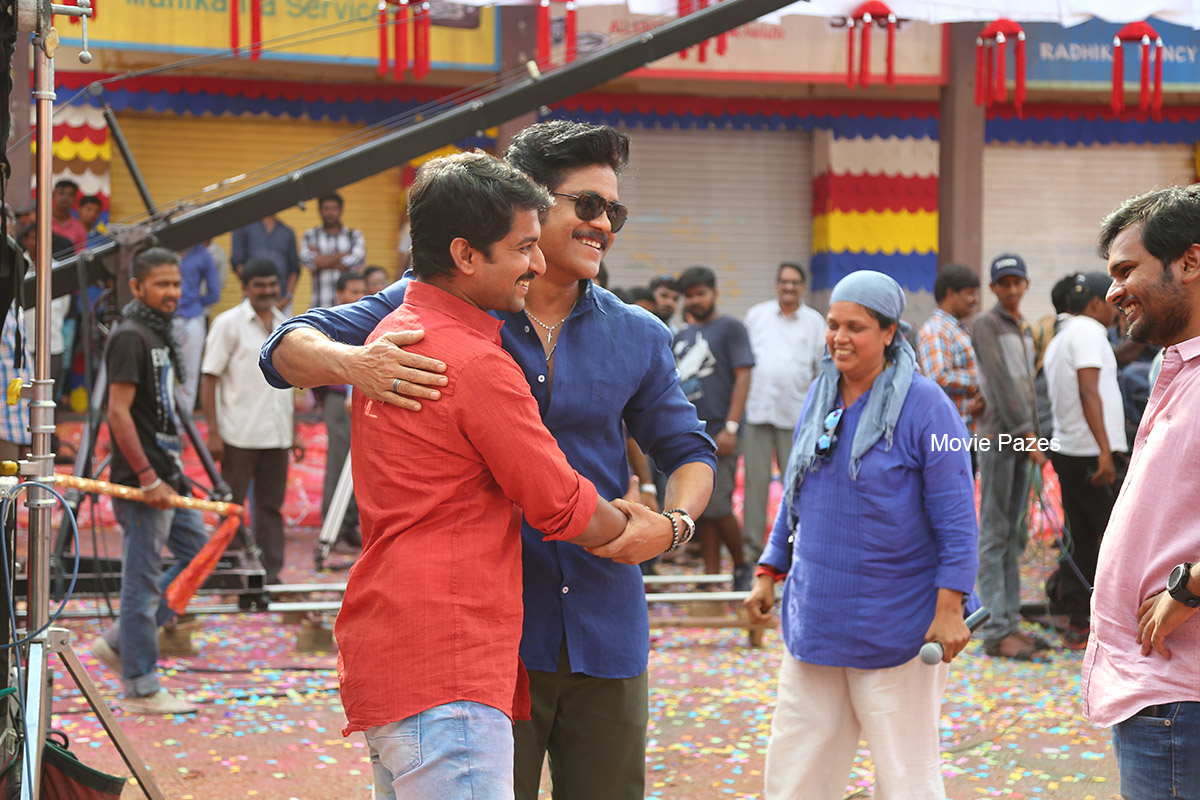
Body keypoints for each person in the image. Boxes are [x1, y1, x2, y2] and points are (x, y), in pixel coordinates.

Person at [260, 120, 716, 800]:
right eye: (588, 206)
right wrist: (357, 363)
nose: (603, 225)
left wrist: (673, 526)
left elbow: (687, 450)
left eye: (614, 212)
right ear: (528, 204)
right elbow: (284, 347)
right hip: (490, 639)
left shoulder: (637, 333)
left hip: (605, 622)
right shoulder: (440, 309)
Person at [339, 151, 655, 800]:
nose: (535, 265)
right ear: (465, 254)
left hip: (396, 649)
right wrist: (643, 529)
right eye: (523, 248)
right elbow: (558, 501)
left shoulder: (393, 338)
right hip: (450, 656)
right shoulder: (473, 360)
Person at [745, 269, 978, 800]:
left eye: (856, 327)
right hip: (817, 617)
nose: (839, 338)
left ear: (891, 332)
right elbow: (797, 494)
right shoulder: (820, 394)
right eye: (833, 325)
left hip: (899, 624)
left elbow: (958, 519)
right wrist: (768, 571)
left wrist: (950, 608)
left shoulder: (929, 407)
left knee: (905, 774)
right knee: (796, 771)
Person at [1083, 185, 1200, 799]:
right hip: (1162, 696)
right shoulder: (1178, 366)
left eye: (1126, 270)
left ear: (1190, 261)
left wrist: (1190, 586)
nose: (1113, 291)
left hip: (1181, 701)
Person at [90, 247, 206, 715]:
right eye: (161, 284)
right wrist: (147, 477)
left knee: (198, 552)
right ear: (136, 287)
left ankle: (122, 640)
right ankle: (140, 686)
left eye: (176, 284)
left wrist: (167, 473)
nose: (172, 292)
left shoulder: (158, 333)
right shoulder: (130, 335)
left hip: (166, 474)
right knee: (141, 586)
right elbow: (117, 413)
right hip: (143, 483)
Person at [201, 257, 303, 586]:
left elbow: (291, 384)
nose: (267, 291)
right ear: (245, 288)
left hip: (277, 437)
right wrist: (213, 432)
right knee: (231, 509)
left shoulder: (288, 325)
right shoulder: (228, 324)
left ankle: (271, 575)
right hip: (238, 435)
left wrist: (294, 432)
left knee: (271, 508)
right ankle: (230, 575)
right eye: (259, 285)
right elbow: (209, 377)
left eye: (272, 284)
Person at [1042, 271, 1127, 650]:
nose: (1117, 309)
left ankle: (1078, 616)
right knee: (1115, 537)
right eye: (1112, 301)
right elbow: (1088, 391)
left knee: (1079, 536)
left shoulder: (1061, 336)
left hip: (1069, 450)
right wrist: (1105, 452)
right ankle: (1109, 618)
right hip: (1092, 453)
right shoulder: (1090, 332)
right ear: (1095, 303)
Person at [972, 254, 1048, 661]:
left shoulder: (1023, 327)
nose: (1012, 289)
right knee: (995, 533)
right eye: (1004, 283)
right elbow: (1001, 383)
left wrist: (1034, 433)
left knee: (1013, 534)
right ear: (994, 288)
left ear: (1026, 284)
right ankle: (995, 629)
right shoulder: (986, 325)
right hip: (1000, 438)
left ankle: (1009, 620)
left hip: (1023, 438)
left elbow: (1028, 388)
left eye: (1017, 282)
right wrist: (1028, 434)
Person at [674, 265, 753, 589]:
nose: (694, 300)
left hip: (722, 432)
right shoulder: (681, 337)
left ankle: (742, 567)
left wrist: (731, 427)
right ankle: (709, 577)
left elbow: (743, 376)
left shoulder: (731, 328)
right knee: (703, 508)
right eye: (689, 295)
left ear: (715, 293)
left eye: (700, 293)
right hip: (692, 433)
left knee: (719, 505)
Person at [742, 262, 824, 561]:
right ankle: (752, 552)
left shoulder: (815, 322)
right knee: (755, 486)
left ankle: (795, 548)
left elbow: (821, 372)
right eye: (784, 281)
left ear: (802, 286)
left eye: (795, 282)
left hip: (797, 416)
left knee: (798, 485)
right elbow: (744, 364)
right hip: (758, 412)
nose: (789, 287)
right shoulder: (757, 316)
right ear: (777, 284)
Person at [318, 271, 367, 549]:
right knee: (339, 461)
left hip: (362, 396)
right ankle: (331, 527)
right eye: (353, 291)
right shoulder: (332, 321)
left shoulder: (367, 318)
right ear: (339, 294)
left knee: (361, 464)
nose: (359, 297)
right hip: (339, 400)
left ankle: (348, 524)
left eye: (363, 291)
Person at [917, 263, 983, 437]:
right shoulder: (937, 330)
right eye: (970, 294)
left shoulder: (955, 328)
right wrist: (980, 379)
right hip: (949, 434)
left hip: (967, 432)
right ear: (951, 293)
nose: (975, 300)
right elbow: (937, 377)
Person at [174, 242, 222, 413]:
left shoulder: (203, 255)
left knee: (189, 374)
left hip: (191, 319)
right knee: (160, 372)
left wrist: (193, 302)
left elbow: (214, 293)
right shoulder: (164, 251)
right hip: (164, 318)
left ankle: (182, 422)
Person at [300, 193, 367, 309]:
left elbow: (356, 262)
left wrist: (321, 260)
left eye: (334, 209)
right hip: (320, 304)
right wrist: (343, 255)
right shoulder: (310, 235)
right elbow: (308, 261)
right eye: (326, 209)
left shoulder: (354, 235)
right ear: (319, 210)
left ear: (341, 210)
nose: (330, 213)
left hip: (348, 307)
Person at [231, 215, 299, 313]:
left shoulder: (287, 231)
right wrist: (255, 291)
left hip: (282, 304)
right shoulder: (243, 228)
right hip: (252, 301)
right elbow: (237, 262)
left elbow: (294, 269)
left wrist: (287, 298)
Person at [50, 178, 86, 252]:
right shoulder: (41, 222)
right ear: (53, 195)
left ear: (74, 199)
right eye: (61, 193)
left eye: (70, 195)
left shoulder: (79, 229)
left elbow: (79, 255)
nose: (65, 198)